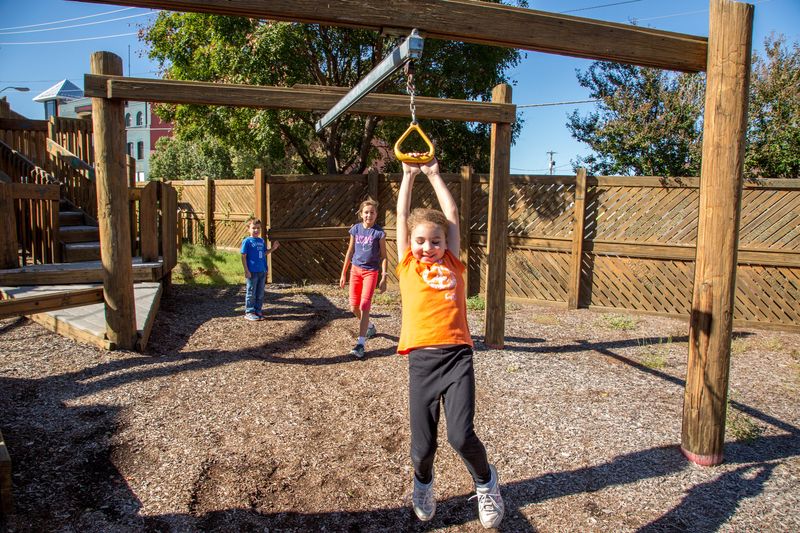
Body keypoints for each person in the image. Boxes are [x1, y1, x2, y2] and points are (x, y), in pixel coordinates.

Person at [396, 158, 504, 528]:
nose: (428, 247)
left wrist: (433, 174)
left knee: (460, 436)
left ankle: (486, 482)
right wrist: (408, 178)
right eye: (421, 241)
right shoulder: (408, 265)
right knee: (423, 447)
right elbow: (401, 215)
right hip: (422, 362)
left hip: (458, 356)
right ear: (411, 243)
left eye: (436, 241)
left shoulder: (453, 263)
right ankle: (423, 483)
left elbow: (452, 212)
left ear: (446, 243)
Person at [340, 199, 387, 358]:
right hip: (355, 271)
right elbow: (350, 251)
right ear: (361, 214)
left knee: (364, 304)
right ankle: (370, 326)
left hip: (370, 272)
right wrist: (343, 273)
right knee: (353, 307)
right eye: (366, 212)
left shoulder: (379, 233)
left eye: (372, 212)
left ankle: (360, 344)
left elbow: (384, 256)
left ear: (376, 214)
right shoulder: (355, 229)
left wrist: (384, 277)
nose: (369, 215)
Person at [240, 217, 279, 321]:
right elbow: (243, 256)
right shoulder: (247, 241)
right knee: (251, 292)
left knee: (260, 293)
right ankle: (249, 312)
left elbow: (263, 253)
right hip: (252, 271)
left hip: (261, 271)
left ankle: (258, 311)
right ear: (248, 229)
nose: (256, 230)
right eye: (253, 228)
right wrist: (246, 270)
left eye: (258, 228)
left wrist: (273, 249)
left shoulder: (261, 241)